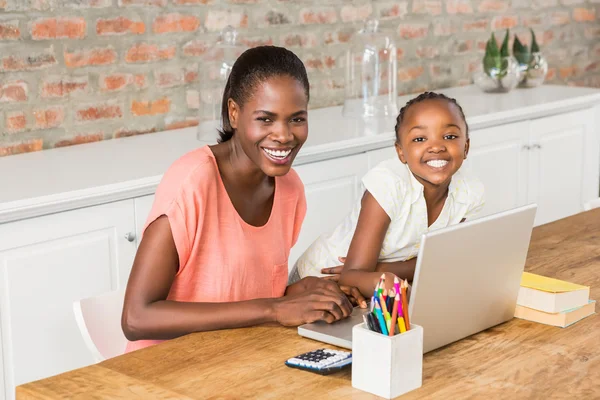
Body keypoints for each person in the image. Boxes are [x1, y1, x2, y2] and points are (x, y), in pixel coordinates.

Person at [122, 46, 365, 352]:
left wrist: (301, 295)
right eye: (265, 119)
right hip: (168, 367)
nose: (284, 135)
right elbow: (135, 318)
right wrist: (274, 309)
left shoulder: (290, 189)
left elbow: (240, 295)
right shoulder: (192, 182)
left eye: (296, 119)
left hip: (239, 357)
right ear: (234, 113)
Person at [292, 92, 485, 296]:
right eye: (420, 138)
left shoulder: (470, 192)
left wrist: (381, 270)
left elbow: (445, 261)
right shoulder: (388, 184)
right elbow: (352, 276)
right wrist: (388, 275)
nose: (436, 147)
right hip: (319, 279)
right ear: (401, 152)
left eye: (450, 136)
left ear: (466, 146)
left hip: (376, 282)